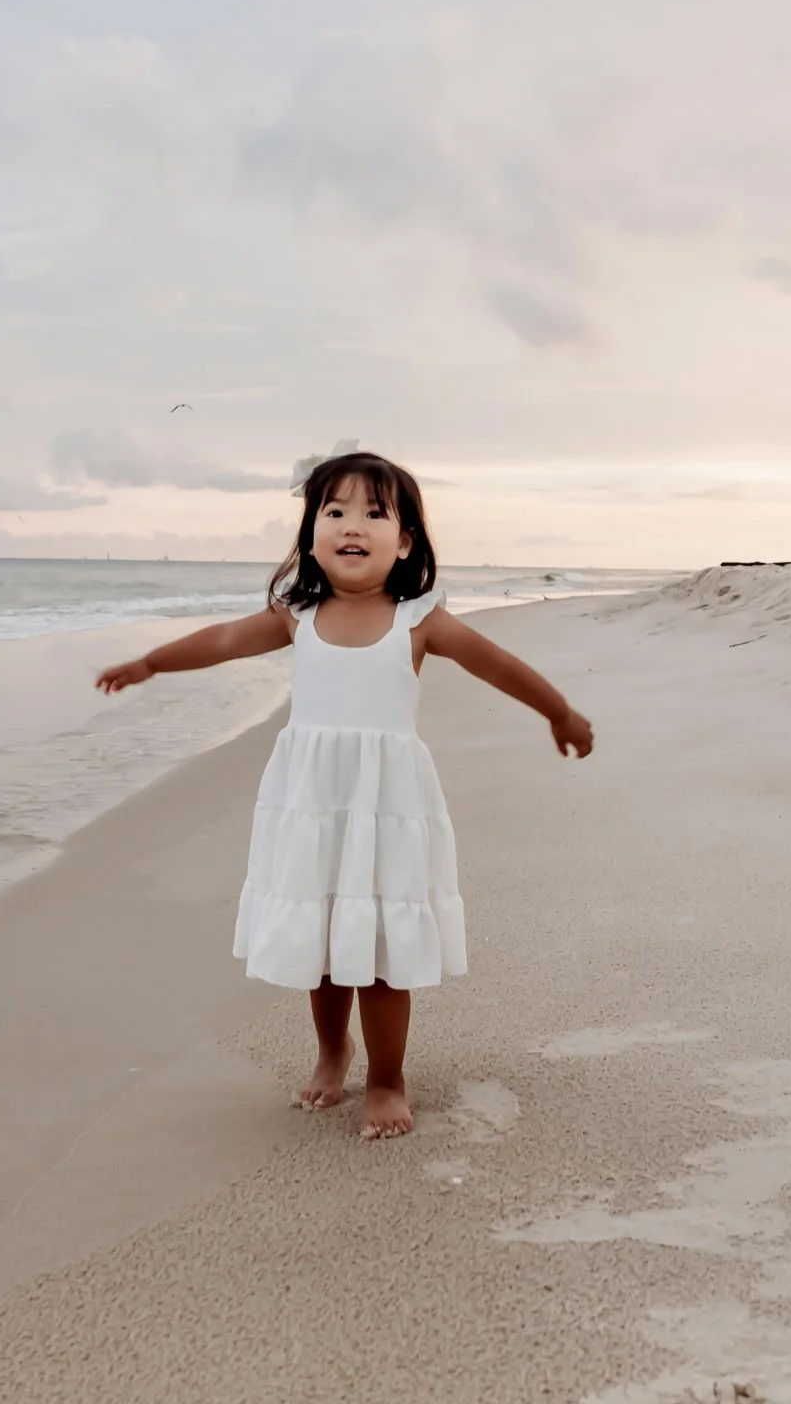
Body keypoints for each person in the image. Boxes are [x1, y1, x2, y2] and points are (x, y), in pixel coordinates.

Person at [95, 451, 593, 1139]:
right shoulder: (297, 614)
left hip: (386, 805)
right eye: (334, 512)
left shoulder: (419, 619)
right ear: (311, 535)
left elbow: (498, 665)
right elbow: (224, 639)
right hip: (312, 802)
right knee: (321, 937)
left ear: (405, 541)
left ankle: (387, 1078)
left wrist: (559, 712)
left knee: (382, 949)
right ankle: (334, 1051)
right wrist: (152, 662)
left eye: (373, 513)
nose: (351, 525)